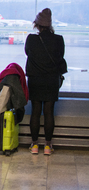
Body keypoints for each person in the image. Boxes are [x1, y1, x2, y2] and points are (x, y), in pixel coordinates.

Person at [25, 8, 66, 155]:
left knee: (35, 112)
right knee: (49, 112)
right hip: (51, 80)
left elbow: (27, 53)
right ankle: (48, 146)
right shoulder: (58, 39)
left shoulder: (31, 39)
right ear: (49, 25)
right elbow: (60, 56)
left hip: (35, 80)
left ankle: (34, 145)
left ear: (37, 24)